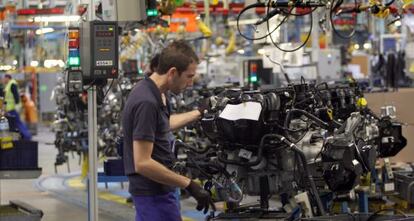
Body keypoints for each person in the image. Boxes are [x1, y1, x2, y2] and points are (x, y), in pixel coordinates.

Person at [122, 41, 211, 221]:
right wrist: (189, 184)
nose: (191, 83)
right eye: (188, 76)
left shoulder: (157, 92)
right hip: (152, 193)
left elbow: (162, 125)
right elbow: (143, 162)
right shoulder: (147, 101)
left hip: (161, 189)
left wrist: (198, 113)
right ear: (172, 73)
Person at [2, 74, 32, 140]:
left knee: (18, 123)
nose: (3, 80)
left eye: (4, 78)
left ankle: (27, 136)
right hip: (10, 109)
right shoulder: (9, 84)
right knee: (15, 124)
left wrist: (16, 107)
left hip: (13, 109)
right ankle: (23, 137)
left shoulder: (12, 84)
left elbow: (16, 97)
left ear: (7, 78)